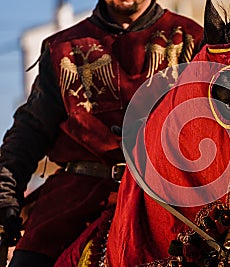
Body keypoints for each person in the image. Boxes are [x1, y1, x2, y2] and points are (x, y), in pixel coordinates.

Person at [0, 0, 203, 266]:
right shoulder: (62, 48)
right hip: (77, 195)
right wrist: (5, 193)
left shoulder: (192, 38)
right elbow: (31, 129)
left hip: (167, 198)